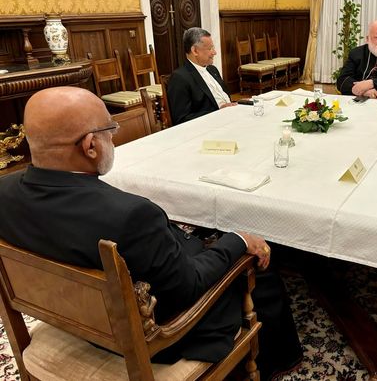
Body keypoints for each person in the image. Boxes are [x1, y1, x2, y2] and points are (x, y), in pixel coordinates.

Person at [0, 86, 303, 380]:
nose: (113, 141)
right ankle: (278, 360)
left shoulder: (3, 192)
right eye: (111, 131)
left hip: (70, 318)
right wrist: (238, 239)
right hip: (159, 339)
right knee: (260, 272)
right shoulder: (132, 215)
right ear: (90, 145)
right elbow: (190, 286)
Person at [168, 28, 237, 126]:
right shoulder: (179, 78)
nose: (214, 52)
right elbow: (182, 119)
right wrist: (218, 112)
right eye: (210, 49)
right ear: (195, 51)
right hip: (212, 127)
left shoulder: (213, 69)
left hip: (231, 118)